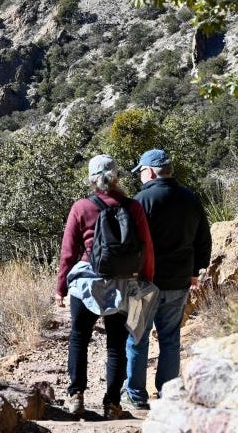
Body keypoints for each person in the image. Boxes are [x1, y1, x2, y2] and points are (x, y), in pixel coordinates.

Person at [55, 154, 155, 420]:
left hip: (87, 283)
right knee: (116, 344)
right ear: (117, 177)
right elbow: (146, 248)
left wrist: (61, 288)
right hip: (123, 284)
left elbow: (68, 252)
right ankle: (112, 404)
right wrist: (145, 280)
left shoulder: (81, 207)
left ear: (91, 179)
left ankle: (75, 396)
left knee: (79, 337)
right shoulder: (133, 207)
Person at [122, 149, 212, 409]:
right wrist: (196, 271)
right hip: (180, 280)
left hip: (144, 282)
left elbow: (129, 242)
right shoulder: (190, 198)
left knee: (137, 338)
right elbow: (203, 238)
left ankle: (136, 397)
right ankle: (168, 395)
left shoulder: (141, 200)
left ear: (150, 171)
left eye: (141, 171)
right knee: (170, 338)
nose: (140, 176)